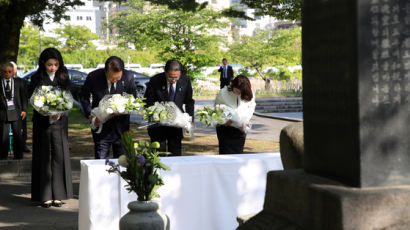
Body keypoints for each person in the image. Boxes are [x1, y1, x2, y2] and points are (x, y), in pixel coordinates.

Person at [29, 48, 73, 208]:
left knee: (59, 155)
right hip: (42, 122)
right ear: (43, 63)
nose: (53, 68)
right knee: (43, 156)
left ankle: (58, 195)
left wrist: (60, 112)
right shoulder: (36, 78)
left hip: (60, 123)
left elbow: (68, 97)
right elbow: (34, 99)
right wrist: (46, 111)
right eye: (49, 64)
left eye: (55, 64)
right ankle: (44, 195)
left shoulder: (64, 77)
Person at [79, 56, 136, 159]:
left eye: (117, 78)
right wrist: (90, 115)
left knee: (122, 162)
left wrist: (124, 109)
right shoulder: (94, 77)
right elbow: (83, 96)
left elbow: (133, 97)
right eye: (111, 78)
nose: (114, 80)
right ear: (106, 71)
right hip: (101, 126)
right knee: (101, 161)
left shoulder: (128, 77)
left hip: (121, 127)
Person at [144, 59, 195, 156]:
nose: (174, 80)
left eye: (176, 77)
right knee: (158, 154)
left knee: (175, 153)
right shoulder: (155, 80)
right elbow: (148, 102)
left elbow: (189, 102)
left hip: (176, 125)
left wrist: (190, 120)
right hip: (158, 125)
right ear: (165, 72)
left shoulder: (185, 80)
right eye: (171, 77)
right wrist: (156, 114)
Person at [215, 75, 256, 154]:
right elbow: (217, 109)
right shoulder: (223, 93)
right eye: (236, 91)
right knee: (225, 154)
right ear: (233, 85)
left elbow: (251, 106)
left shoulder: (248, 92)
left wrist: (246, 120)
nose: (237, 94)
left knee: (238, 154)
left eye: (240, 92)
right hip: (225, 129)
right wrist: (224, 120)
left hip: (241, 128)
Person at [0, 62, 27, 160]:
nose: (7, 74)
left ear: (13, 73)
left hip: (16, 111)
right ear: (1, 72)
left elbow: (24, 97)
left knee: (17, 134)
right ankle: (3, 156)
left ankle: (18, 156)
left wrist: (24, 109)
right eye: (5, 72)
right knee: (3, 135)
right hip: (3, 113)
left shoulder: (19, 82)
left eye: (9, 72)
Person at [10, 61, 31, 153]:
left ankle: (22, 145)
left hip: (19, 109)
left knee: (21, 129)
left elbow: (24, 97)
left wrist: (24, 109)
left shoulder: (21, 82)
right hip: (6, 110)